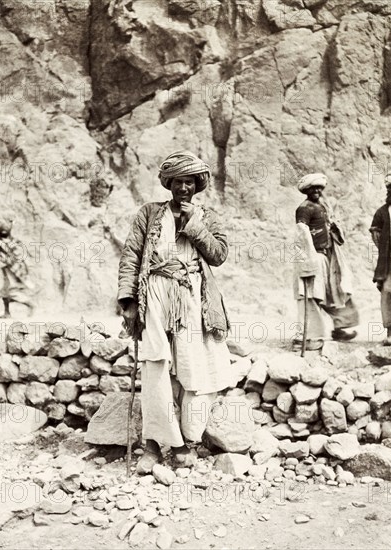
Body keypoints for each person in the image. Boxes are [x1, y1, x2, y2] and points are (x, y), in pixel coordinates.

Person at [117, 150, 233, 473]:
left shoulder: (206, 216)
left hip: (192, 296)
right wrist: (127, 302)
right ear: (169, 184)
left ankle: (188, 439)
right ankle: (154, 445)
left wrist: (193, 226)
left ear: (197, 186)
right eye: (178, 182)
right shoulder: (149, 214)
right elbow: (130, 256)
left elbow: (219, 254)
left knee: (193, 368)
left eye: (190, 183)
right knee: (155, 365)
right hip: (154, 293)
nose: (184, 188)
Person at [293, 173, 359, 349]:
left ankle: (340, 328)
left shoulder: (322, 207)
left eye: (319, 188)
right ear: (306, 190)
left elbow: (331, 230)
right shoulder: (304, 208)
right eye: (313, 188)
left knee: (334, 292)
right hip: (313, 257)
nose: (317, 191)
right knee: (312, 295)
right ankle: (308, 337)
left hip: (327, 257)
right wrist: (308, 257)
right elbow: (302, 233)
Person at [369, 170, 391, 347]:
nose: (389, 192)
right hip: (389, 261)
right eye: (388, 189)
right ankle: (390, 333)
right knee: (388, 294)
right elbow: (375, 231)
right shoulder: (382, 212)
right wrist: (385, 246)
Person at [0, 221, 35, 318]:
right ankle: (7, 313)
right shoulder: (13, 242)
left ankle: (29, 304)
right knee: (5, 292)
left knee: (9, 292)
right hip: (13, 270)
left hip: (8, 271)